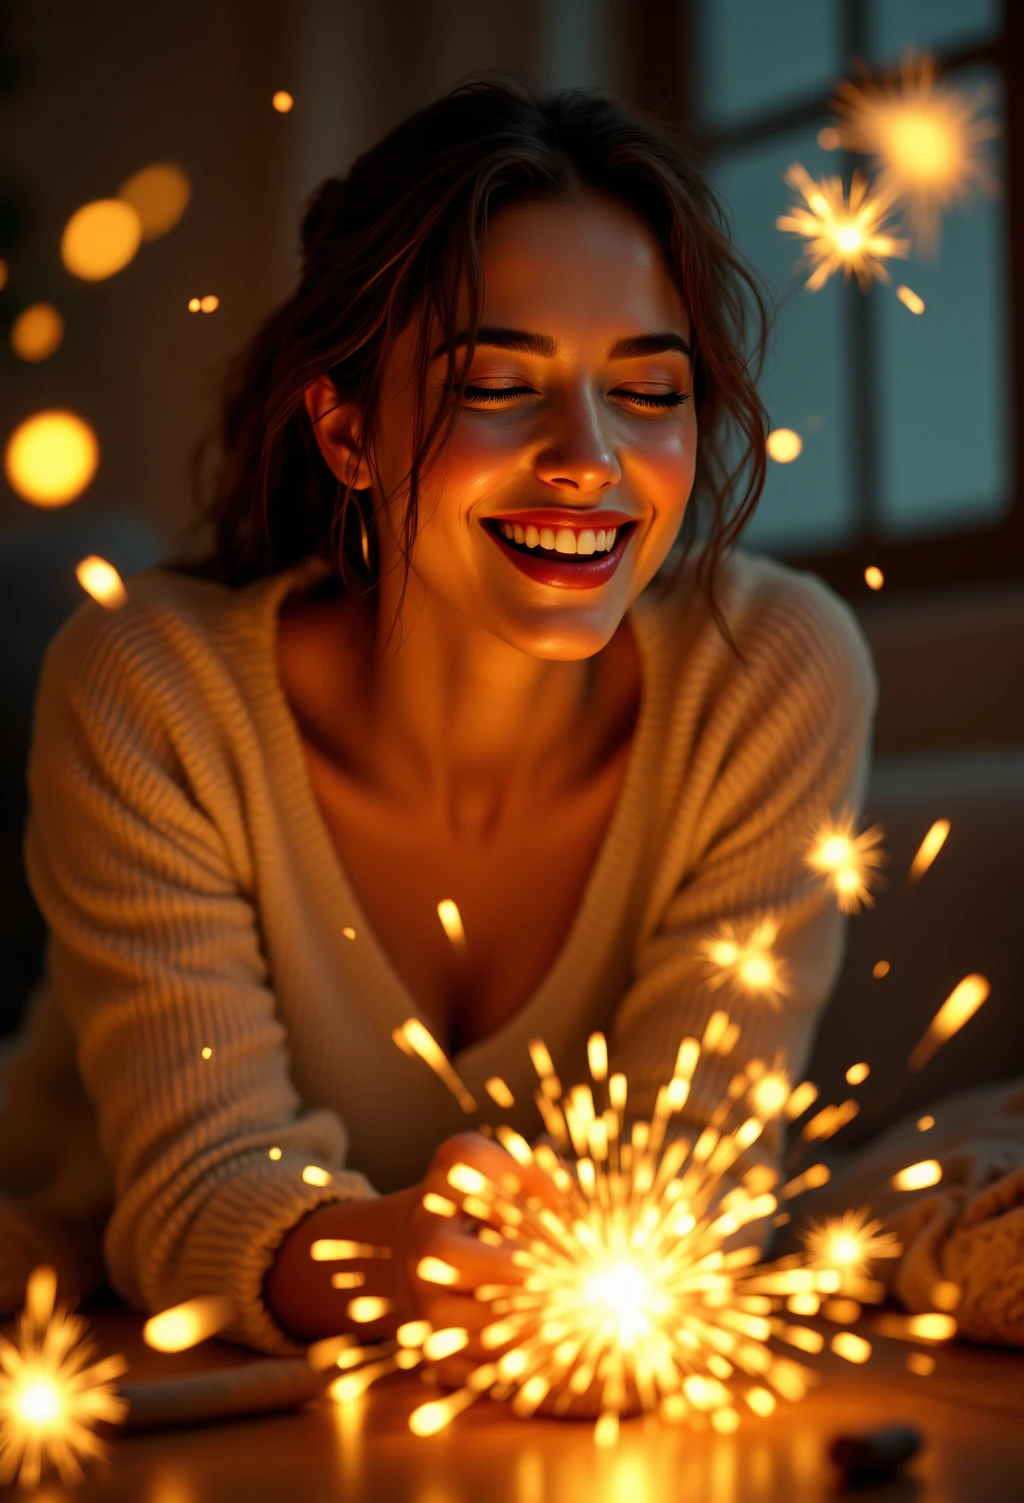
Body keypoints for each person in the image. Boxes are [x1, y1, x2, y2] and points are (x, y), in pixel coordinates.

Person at [5, 81, 981, 1368]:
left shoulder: (770, 671)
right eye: (498, 385)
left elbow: (688, 1205)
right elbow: (193, 1198)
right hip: (99, 1312)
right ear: (348, 429)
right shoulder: (148, 687)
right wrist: (381, 1265)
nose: (587, 459)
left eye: (648, 392)